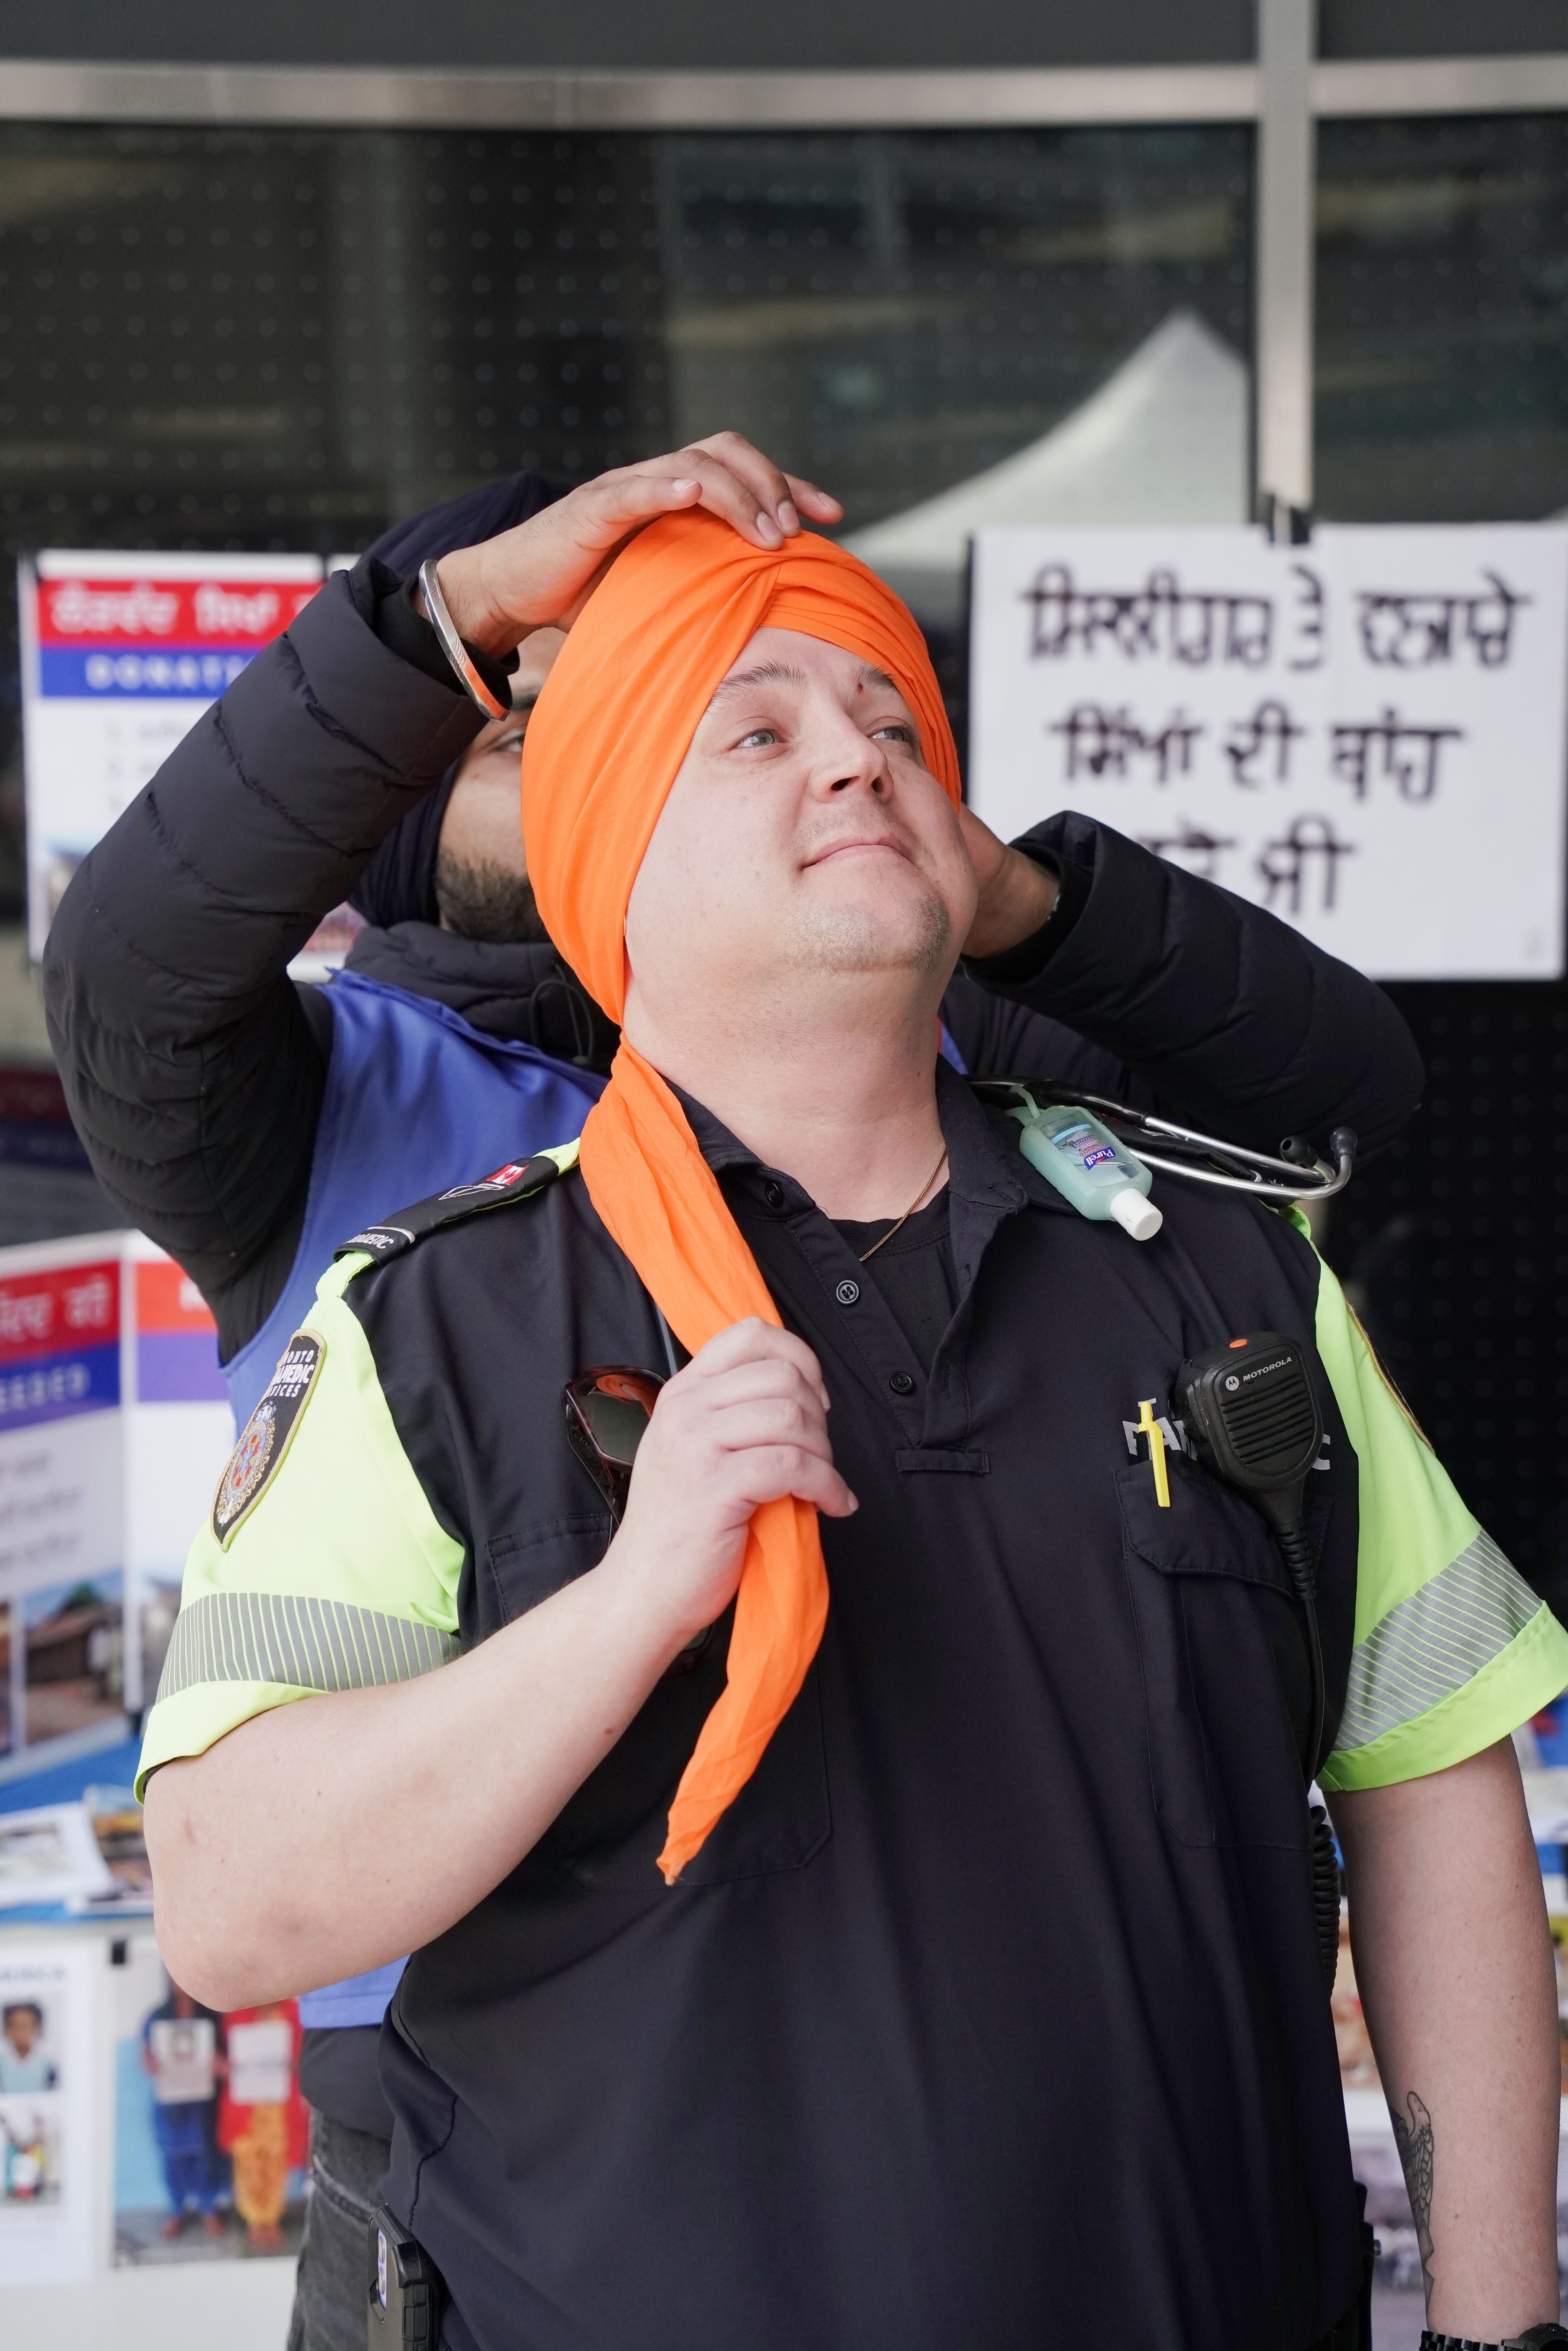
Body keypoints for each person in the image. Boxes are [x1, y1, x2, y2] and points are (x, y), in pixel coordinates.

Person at [138, 459, 1568, 2351]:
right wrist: (631, 1599)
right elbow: (232, 1909)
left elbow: (1427, 1794)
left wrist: (1497, 2331)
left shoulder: (1229, 1280)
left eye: (893, 717)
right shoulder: (436, 1331)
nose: (853, 755)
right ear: (601, 857)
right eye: (749, 727)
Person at [141, 1980, 225, 2240]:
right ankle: (176, 2211)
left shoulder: (211, 2016)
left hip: (202, 2104)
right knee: (173, 2159)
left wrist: (220, 2064)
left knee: (205, 2157)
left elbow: (225, 2057)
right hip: (171, 2104)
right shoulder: (157, 2018)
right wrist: (152, 2062)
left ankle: (209, 2209)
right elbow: (146, 2059)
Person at [0, 2001, 54, 2093]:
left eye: (26, 2026)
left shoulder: (47, 2066)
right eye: (16, 2027)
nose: (21, 2032)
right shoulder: (2, 2064)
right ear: (7, 2030)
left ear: (37, 2029)